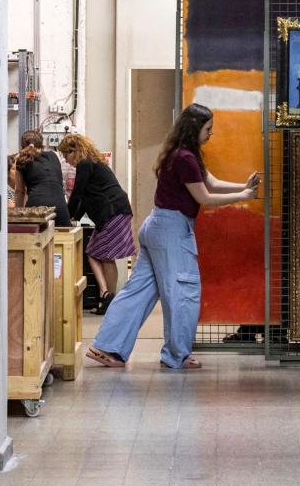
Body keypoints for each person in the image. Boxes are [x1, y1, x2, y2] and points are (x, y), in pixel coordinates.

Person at [86, 104, 260, 370]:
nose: (211, 133)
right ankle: (176, 355)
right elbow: (204, 197)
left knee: (139, 291)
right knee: (183, 292)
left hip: (156, 226)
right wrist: (243, 197)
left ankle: (108, 346)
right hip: (172, 231)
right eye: (208, 128)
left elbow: (210, 182)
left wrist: (243, 186)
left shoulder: (180, 154)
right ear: (195, 129)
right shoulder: (186, 159)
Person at [57, 134, 135, 314]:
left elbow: (77, 194)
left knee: (106, 257)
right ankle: (106, 294)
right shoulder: (93, 163)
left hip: (112, 213)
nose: (67, 162)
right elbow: (84, 199)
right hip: (114, 211)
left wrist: (67, 217)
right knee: (92, 252)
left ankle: (109, 299)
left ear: (74, 151)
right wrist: (72, 218)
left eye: (66, 155)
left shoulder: (85, 163)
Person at [10, 130, 71, 226]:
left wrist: (17, 217)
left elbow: (19, 191)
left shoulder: (21, 159)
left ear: (22, 146)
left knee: (33, 239)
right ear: (41, 144)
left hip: (37, 209)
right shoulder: (54, 156)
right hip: (60, 208)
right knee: (63, 240)